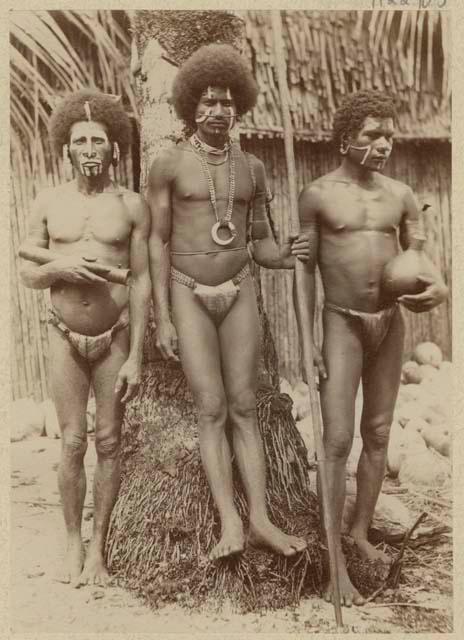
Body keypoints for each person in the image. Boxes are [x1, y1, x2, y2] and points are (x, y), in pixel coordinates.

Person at [148, 44, 309, 561]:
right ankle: (229, 525)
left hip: (240, 286)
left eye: (228, 101)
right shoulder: (168, 164)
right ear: (191, 105)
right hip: (186, 291)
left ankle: (260, 518)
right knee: (211, 408)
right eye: (209, 101)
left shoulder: (254, 168)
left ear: (240, 104)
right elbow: (156, 241)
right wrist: (164, 317)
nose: (219, 110)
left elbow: (260, 244)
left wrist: (288, 255)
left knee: (244, 406)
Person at [297, 90, 448, 606]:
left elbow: (420, 258)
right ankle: (333, 562)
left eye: (389, 135)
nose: (384, 143)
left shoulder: (402, 195)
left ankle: (359, 532)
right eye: (372, 135)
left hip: (390, 321)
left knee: (379, 431)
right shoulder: (316, 194)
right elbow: (304, 272)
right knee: (337, 439)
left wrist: (441, 288)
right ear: (346, 139)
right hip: (340, 322)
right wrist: (307, 341)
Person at [19, 90, 151, 587]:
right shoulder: (48, 202)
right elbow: (28, 272)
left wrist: (137, 353)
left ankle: (99, 549)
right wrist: (61, 264)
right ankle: (72, 541)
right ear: (67, 149)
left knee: (110, 441)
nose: (90, 149)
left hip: (114, 336)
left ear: (114, 149)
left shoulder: (131, 205)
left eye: (99, 140)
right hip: (63, 334)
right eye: (81, 141)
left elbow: (139, 281)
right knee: (72, 441)